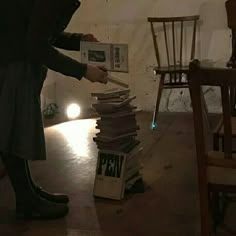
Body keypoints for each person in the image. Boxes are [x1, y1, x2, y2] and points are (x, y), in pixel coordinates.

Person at [0, 0, 108, 220]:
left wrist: (79, 40)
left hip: (15, 57)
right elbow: (36, 45)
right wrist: (83, 70)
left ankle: (29, 192)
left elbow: (40, 32)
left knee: (15, 131)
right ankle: (26, 202)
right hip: (11, 60)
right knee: (11, 133)